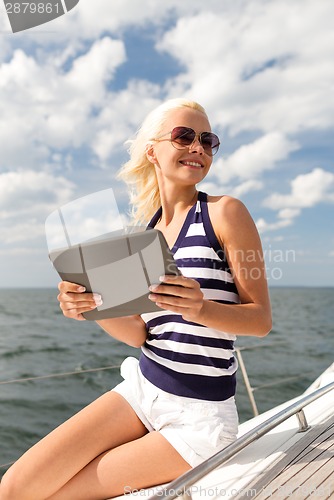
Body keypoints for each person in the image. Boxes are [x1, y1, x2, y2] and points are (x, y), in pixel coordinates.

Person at [0, 98, 272, 500]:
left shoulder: (225, 213)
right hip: (143, 387)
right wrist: (93, 307)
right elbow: (139, 335)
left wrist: (201, 309)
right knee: (15, 487)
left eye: (207, 140)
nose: (197, 147)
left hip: (198, 416)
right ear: (152, 150)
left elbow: (261, 320)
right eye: (184, 136)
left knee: (59, 495)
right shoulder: (146, 233)